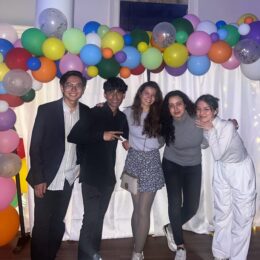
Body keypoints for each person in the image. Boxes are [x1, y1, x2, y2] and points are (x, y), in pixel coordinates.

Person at [26, 71, 89, 260]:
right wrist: (39, 178)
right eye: (69, 84)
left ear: (83, 89)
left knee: (57, 223)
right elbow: (35, 147)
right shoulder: (46, 110)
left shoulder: (86, 112)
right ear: (61, 87)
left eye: (78, 85)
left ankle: (50, 255)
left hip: (69, 177)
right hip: (46, 178)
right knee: (42, 225)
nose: (73, 88)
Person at [67, 77, 129, 260]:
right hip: (91, 174)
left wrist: (129, 142)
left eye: (119, 92)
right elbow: (74, 136)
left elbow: (129, 133)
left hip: (108, 176)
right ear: (105, 94)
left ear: (124, 95)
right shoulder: (94, 113)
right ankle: (88, 255)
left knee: (98, 219)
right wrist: (102, 135)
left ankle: (93, 252)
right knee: (91, 218)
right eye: (111, 92)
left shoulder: (121, 117)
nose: (115, 96)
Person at [195, 94, 256, 260]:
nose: (202, 113)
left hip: (240, 170)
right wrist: (201, 132)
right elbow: (203, 144)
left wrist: (210, 129)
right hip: (222, 170)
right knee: (222, 213)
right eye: (199, 109)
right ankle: (220, 254)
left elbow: (218, 153)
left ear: (215, 111)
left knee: (242, 217)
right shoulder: (204, 126)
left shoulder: (226, 126)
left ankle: (237, 257)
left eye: (206, 109)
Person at [160, 90, 208, 260]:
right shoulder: (165, 124)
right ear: (168, 109)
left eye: (178, 103)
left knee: (192, 207)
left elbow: (214, 126)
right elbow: (153, 136)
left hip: (193, 166)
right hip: (171, 164)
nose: (176, 108)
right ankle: (180, 246)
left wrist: (230, 124)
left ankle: (171, 227)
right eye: (171, 106)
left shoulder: (199, 117)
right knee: (174, 203)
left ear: (185, 103)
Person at [122, 81, 165, 260]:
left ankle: (137, 252)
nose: (149, 97)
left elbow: (166, 138)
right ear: (140, 93)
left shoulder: (161, 115)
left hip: (151, 162)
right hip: (133, 161)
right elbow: (110, 119)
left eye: (153, 94)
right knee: (136, 208)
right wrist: (123, 139)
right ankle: (137, 244)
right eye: (146, 93)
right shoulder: (128, 112)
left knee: (143, 210)